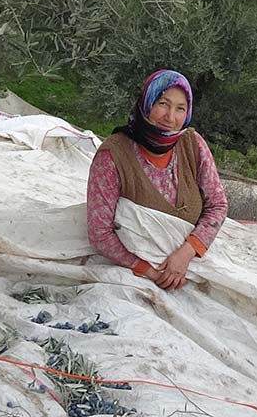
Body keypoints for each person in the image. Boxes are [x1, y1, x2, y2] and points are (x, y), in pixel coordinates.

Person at [86, 69, 228, 290]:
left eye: (180, 109)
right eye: (162, 104)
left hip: (191, 263)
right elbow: (100, 234)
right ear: (147, 102)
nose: (170, 118)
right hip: (136, 272)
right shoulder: (112, 156)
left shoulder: (193, 144)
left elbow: (217, 205)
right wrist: (150, 271)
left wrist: (186, 253)